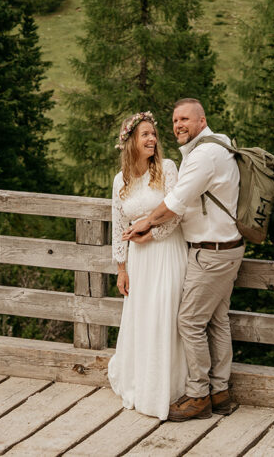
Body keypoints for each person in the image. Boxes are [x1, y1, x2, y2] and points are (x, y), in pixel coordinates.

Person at [124, 98, 244, 421]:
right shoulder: (222, 145)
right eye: (175, 120)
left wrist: (147, 222)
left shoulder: (204, 155)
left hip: (211, 252)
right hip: (228, 249)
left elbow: (174, 203)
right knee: (217, 321)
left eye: (185, 120)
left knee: (188, 322)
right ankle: (220, 392)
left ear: (202, 120)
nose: (178, 126)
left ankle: (197, 395)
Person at [107, 112, 187, 420]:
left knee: (164, 315)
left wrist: (151, 233)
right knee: (142, 318)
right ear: (131, 141)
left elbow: (178, 213)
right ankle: (141, 382)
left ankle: (168, 388)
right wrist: (122, 268)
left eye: (154, 134)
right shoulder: (120, 181)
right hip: (138, 261)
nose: (152, 139)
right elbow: (118, 226)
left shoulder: (167, 169)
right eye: (145, 135)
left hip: (166, 251)